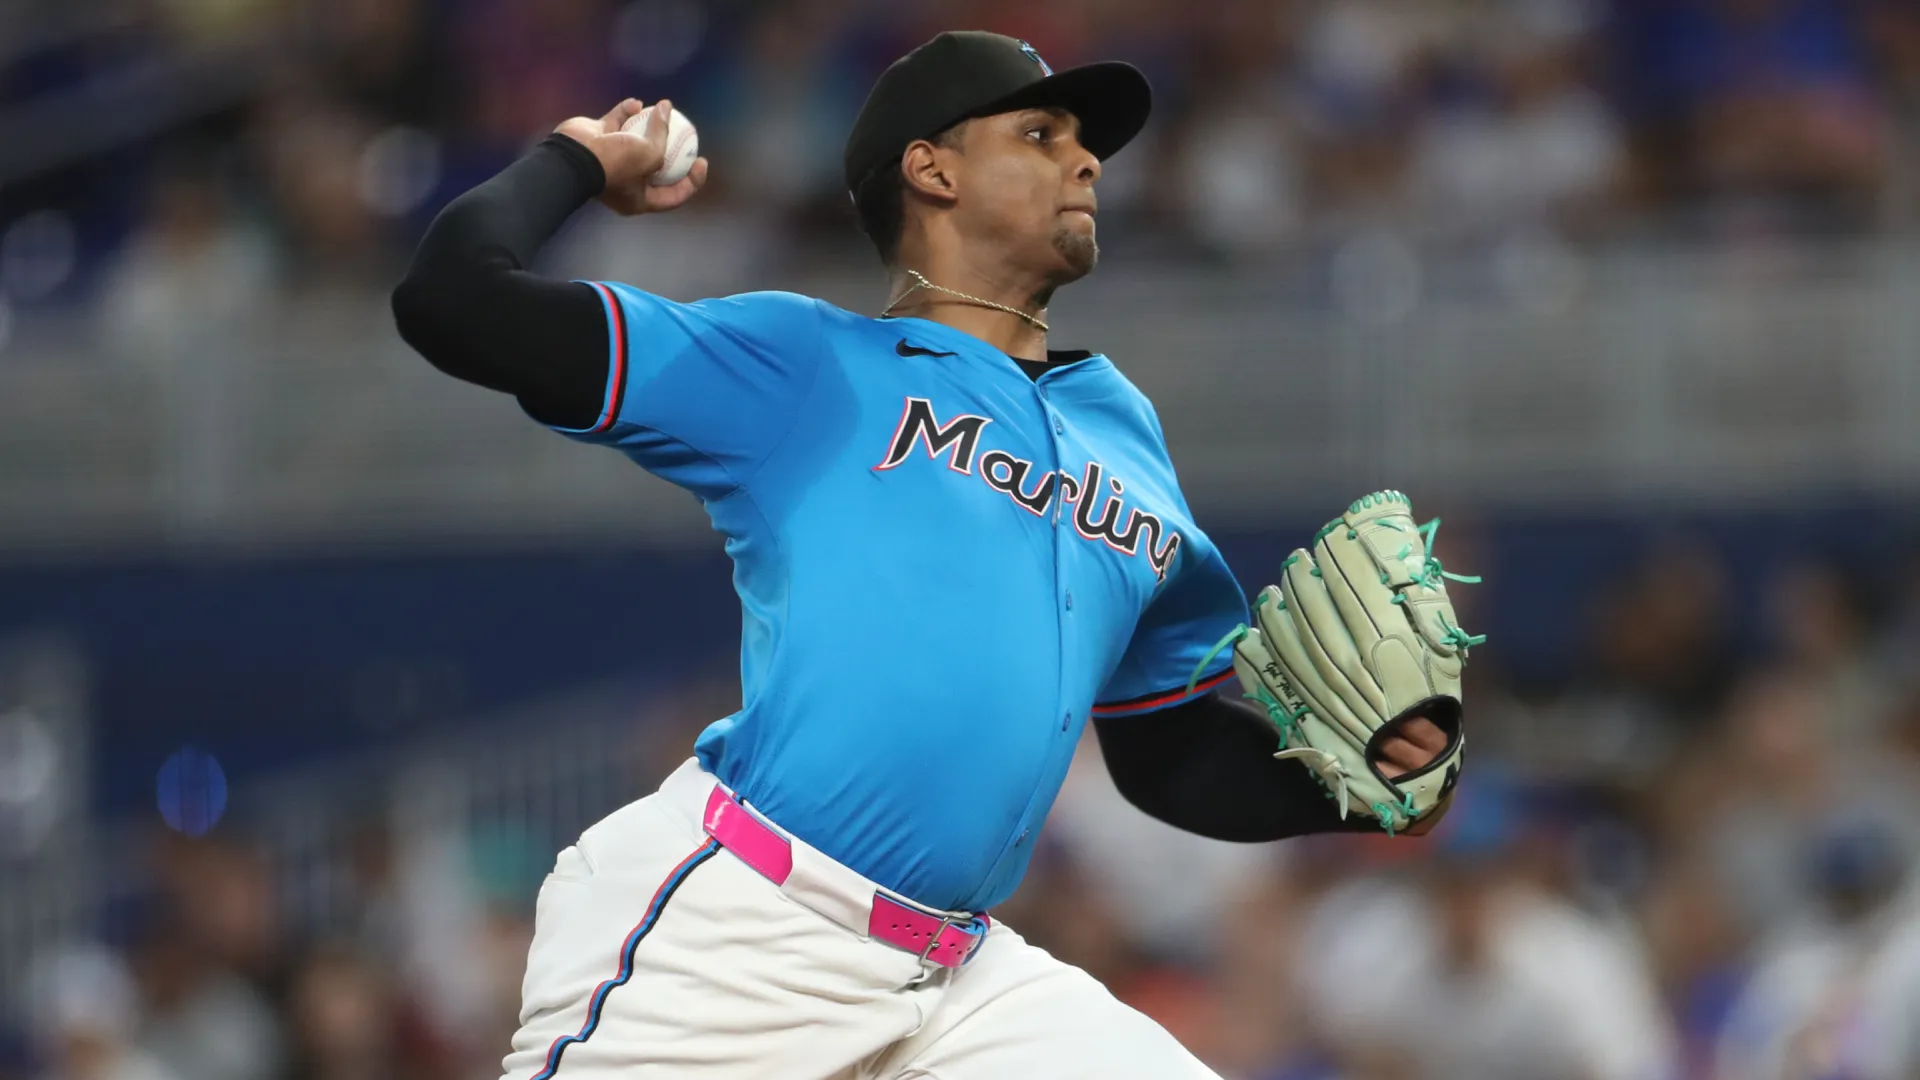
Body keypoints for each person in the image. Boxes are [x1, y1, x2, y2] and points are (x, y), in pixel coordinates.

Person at [392, 30, 1453, 1080]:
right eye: (1039, 133)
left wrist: (1359, 781)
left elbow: (1167, 753)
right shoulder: (805, 364)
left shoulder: (1121, 432)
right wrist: (578, 158)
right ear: (931, 167)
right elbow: (454, 301)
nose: (1084, 159)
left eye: (1084, 140)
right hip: (744, 927)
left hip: (958, 981)